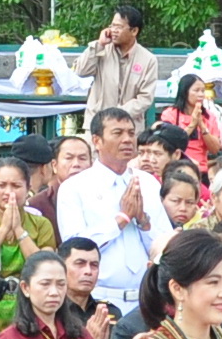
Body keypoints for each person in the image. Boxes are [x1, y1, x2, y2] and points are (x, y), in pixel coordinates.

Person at [58, 108, 175, 319]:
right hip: (98, 298)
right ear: (97, 141)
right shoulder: (75, 187)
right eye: (117, 133)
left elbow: (165, 246)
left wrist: (142, 221)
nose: (127, 139)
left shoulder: (147, 182)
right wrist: (121, 220)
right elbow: (74, 246)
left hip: (145, 298)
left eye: (131, 133)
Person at [76, 4, 157, 131]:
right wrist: (99, 44)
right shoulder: (102, 49)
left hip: (129, 128)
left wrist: (117, 114)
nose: (113, 30)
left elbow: (145, 98)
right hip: (97, 125)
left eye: (119, 27)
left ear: (134, 31)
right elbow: (81, 71)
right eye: (112, 26)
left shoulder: (148, 59)